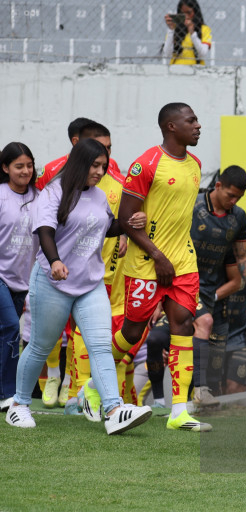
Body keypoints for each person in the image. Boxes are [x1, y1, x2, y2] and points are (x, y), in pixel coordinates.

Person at [5, 139, 152, 434]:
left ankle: (113, 408)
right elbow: (44, 231)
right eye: (94, 166)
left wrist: (129, 223)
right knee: (40, 346)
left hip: (90, 283)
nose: (100, 172)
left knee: (99, 345)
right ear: (79, 164)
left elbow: (106, 227)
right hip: (53, 281)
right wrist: (55, 261)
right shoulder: (54, 192)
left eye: (103, 166)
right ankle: (19, 406)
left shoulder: (98, 196)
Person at [114, 102, 212, 432]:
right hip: (146, 263)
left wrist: (171, 256)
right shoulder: (146, 164)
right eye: (191, 120)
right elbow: (126, 219)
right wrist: (156, 255)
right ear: (171, 126)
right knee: (133, 331)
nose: (198, 125)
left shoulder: (196, 164)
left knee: (182, 326)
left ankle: (178, 411)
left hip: (183, 262)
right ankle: (92, 384)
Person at [190, 165, 246, 406]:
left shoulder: (238, 217)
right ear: (218, 186)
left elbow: (242, 256)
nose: (234, 200)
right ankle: (194, 392)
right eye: (231, 195)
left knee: (214, 355)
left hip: (215, 293)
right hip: (186, 283)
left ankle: (200, 399)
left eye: (239, 197)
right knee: (200, 326)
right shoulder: (193, 205)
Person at [0, 143, 38, 411]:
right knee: (13, 328)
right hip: (0, 276)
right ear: (5, 168)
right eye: (19, 166)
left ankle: (6, 393)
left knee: (10, 336)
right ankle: (8, 393)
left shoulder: (41, 197)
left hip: (24, 281)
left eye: (29, 165)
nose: (26, 171)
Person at [163, 0, 212, 65]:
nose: (186, 16)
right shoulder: (175, 28)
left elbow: (203, 54)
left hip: (196, 70)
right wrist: (171, 30)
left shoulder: (204, 29)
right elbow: (167, 54)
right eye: (182, 13)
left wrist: (192, 33)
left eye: (189, 13)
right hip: (176, 69)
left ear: (195, 12)